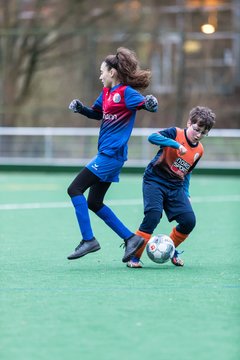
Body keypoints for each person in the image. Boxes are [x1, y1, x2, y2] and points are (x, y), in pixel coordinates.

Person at [67, 47, 158, 263]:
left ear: (112, 73)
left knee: (74, 189)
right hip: (108, 155)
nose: (100, 76)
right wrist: (81, 109)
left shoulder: (126, 93)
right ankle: (131, 239)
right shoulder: (107, 93)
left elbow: (145, 104)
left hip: (111, 155)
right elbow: (97, 113)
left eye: (102, 71)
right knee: (95, 202)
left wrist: (150, 103)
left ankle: (88, 240)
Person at [127, 106, 216, 268]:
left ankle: (171, 250)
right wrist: (175, 145)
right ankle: (134, 256)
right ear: (189, 123)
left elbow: (187, 172)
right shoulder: (175, 133)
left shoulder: (200, 150)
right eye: (196, 129)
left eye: (203, 133)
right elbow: (152, 137)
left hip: (175, 187)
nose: (198, 135)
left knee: (189, 221)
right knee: (153, 216)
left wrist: (186, 193)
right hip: (154, 180)